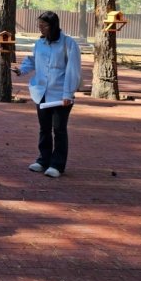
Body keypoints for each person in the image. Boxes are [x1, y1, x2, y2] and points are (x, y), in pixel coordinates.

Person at [13, 11, 82, 178]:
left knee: (59, 129)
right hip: (41, 92)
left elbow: (73, 69)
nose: (40, 29)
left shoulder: (68, 43)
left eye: (44, 26)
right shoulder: (40, 44)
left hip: (60, 94)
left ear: (53, 26)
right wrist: (21, 70)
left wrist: (68, 93)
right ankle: (43, 160)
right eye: (39, 26)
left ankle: (57, 164)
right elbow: (33, 60)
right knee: (44, 128)